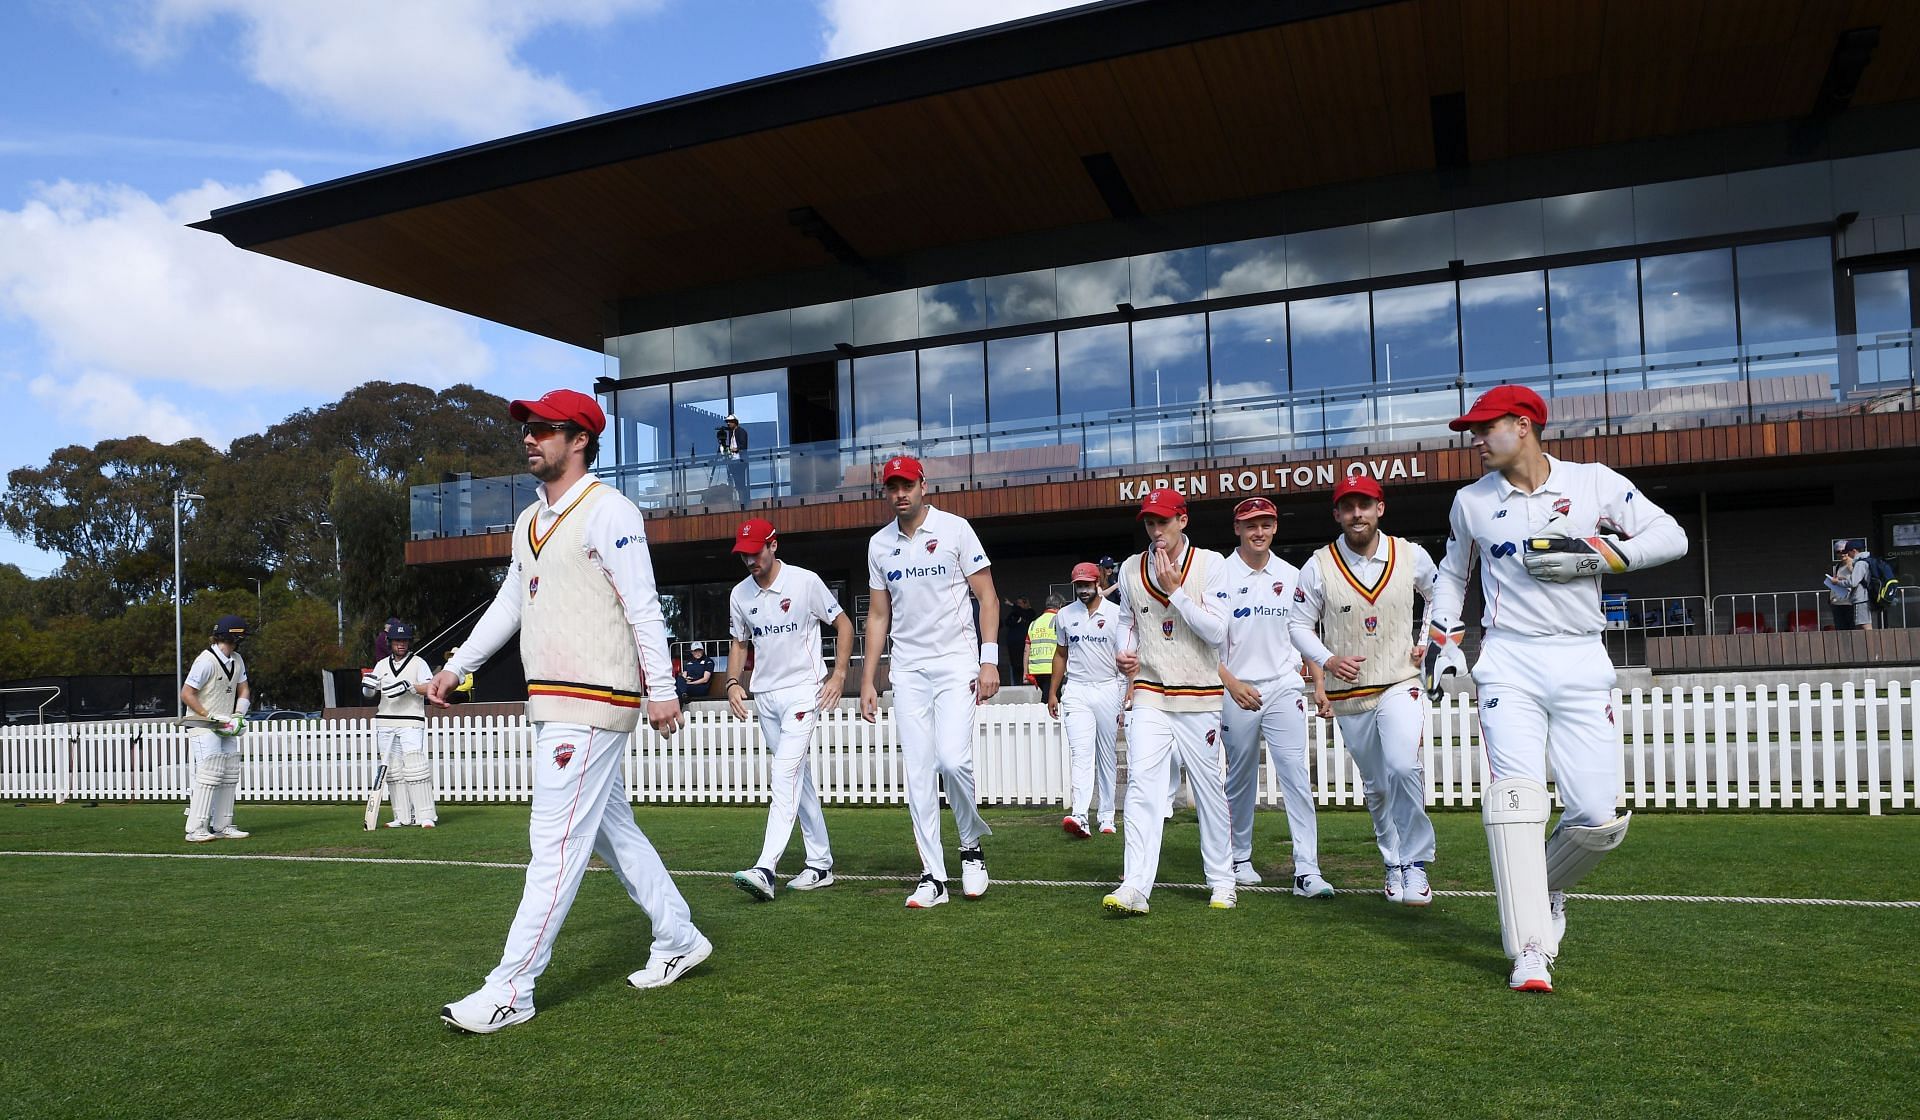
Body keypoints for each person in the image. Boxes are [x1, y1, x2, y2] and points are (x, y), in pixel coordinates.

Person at [426, 387, 709, 1034]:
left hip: (594, 699)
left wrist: (663, 689)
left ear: (580, 439)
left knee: (552, 846)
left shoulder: (611, 511)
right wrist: (458, 665)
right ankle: (679, 937)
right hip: (554, 700)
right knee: (615, 832)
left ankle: (512, 990)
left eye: (544, 428)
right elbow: (510, 602)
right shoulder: (529, 521)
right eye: (525, 427)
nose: (529, 437)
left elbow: (643, 603)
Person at [1428, 384, 1687, 993]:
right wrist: (1444, 643)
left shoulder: (1593, 481)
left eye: (1484, 427)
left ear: (1523, 425)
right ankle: (1530, 949)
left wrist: (1594, 557)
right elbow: (1451, 574)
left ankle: (1544, 890)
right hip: (1508, 661)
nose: (1475, 439)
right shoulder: (1471, 501)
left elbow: (1671, 536)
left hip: (1579, 658)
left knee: (1599, 819)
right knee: (1516, 803)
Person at [1288, 476, 1442, 906]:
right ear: (1337, 514)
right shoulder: (1318, 565)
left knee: (1403, 766)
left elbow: (1439, 594)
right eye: (1349, 506)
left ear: (1380, 509)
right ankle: (1392, 863)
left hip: (1399, 679)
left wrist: (1428, 637)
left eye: (1365, 504)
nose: (1358, 513)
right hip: (1349, 691)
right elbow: (1298, 624)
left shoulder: (1410, 554)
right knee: (1376, 786)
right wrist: (1327, 659)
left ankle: (1414, 863)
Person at [859, 454, 1001, 909]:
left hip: (957, 662)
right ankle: (933, 877)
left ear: (923, 485)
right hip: (908, 669)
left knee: (953, 761)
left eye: (907, 485)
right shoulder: (879, 545)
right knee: (918, 772)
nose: (899, 493)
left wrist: (989, 660)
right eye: (891, 487)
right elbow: (878, 615)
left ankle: (970, 847)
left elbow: (988, 596)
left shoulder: (956, 530)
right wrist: (868, 680)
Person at [1102, 486, 1237, 915]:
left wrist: (1176, 591)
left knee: (1208, 791)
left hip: (1200, 695)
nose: (1156, 529)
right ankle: (1135, 886)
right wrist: (1122, 651)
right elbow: (1126, 621)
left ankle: (1222, 881)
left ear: (1183, 520)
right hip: (1150, 691)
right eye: (1149, 522)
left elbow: (1218, 632)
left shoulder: (1211, 565)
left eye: (1163, 521)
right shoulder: (1128, 568)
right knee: (1142, 786)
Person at [725, 517, 855, 899]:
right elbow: (739, 643)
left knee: (783, 773)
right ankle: (820, 864)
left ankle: (765, 867)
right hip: (765, 696)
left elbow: (844, 624)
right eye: (743, 555)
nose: (750, 560)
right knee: (800, 781)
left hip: (803, 692)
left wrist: (838, 675)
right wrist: (733, 682)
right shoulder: (739, 595)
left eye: (755, 552)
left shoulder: (805, 582)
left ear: (773, 545)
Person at [1217, 496, 1335, 898]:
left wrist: (1318, 684)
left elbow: (1304, 633)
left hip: (1285, 685)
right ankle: (1239, 858)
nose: (1259, 532)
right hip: (1237, 688)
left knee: (1296, 777)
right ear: (1237, 528)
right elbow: (1205, 644)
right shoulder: (1220, 575)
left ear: (1275, 528)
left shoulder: (1292, 574)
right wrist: (1232, 684)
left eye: (1266, 524)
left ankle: (1307, 869)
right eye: (1251, 525)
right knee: (1240, 778)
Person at [1047, 563, 1124, 838]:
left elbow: (1126, 657)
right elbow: (1060, 654)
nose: (1082, 590)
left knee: (1106, 754)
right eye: (1078, 585)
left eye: (1087, 585)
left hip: (1107, 687)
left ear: (1098, 582)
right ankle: (1080, 814)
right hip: (1077, 689)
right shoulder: (1065, 615)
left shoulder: (1116, 614)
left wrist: (1127, 691)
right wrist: (1053, 691)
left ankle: (1106, 817)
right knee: (1081, 753)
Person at [180, 614, 252, 843]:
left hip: (226, 724)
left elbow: (244, 689)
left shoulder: (237, 660)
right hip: (203, 725)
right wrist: (208, 715)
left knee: (229, 773)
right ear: (232, 636)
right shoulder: (205, 661)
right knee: (209, 774)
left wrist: (238, 715)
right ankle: (196, 829)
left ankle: (223, 825)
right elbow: (186, 694)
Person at [360, 620, 437, 828]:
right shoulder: (381, 665)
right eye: (397, 641)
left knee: (415, 767)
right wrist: (367, 687)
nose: (401, 645)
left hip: (411, 720)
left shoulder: (418, 663)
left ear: (409, 642)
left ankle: (425, 816)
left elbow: (430, 687)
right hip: (385, 720)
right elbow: (371, 692)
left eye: (404, 641)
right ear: (390, 642)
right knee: (393, 770)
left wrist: (409, 686)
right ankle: (402, 816)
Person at [1025, 594, 1063, 696]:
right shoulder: (1059, 620)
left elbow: (1026, 649)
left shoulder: (1034, 623)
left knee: (1051, 696)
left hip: (1036, 670)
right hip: (1053, 668)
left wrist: (1026, 672)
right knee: (1052, 698)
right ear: (1059, 606)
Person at [999, 595, 1035, 683]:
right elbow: (1007, 622)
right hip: (1013, 643)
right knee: (1014, 664)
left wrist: (1012, 605)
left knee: (1025, 662)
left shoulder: (1030, 612)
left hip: (1024, 643)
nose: (1018, 606)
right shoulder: (1015, 613)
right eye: (1017, 604)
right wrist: (1015, 622)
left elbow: (1026, 615)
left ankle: (1027, 680)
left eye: (1020, 603)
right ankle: (1015, 682)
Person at [1824, 552, 1858, 631]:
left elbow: (1855, 581)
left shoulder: (1854, 565)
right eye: (1838, 552)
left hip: (1850, 601)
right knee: (1840, 628)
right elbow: (1834, 582)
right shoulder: (1837, 566)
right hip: (1837, 601)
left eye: (1844, 552)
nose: (1842, 554)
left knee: (1852, 627)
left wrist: (1841, 579)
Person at [720, 414, 749, 503]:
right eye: (727, 422)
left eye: (730, 422)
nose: (728, 424)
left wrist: (735, 449)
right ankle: (741, 501)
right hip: (735, 461)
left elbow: (743, 445)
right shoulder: (733, 433)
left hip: (739, 462)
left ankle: (743, 502)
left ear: (735, 422)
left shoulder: (740, 431)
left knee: (740, 483)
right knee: (738, 483)